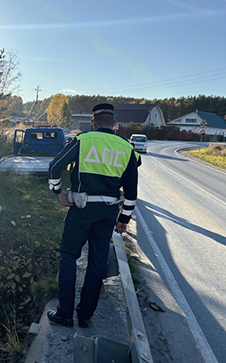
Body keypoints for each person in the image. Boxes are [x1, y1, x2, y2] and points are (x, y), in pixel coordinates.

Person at [46, 103, 139, 328]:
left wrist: (58, 192)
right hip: (107, 213)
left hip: (81, 210)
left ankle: (64, 313)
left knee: (69, 256)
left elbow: (54, 167)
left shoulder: (82, 140)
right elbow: (131, 193)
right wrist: (123, 220)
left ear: (93, 123)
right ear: (114, 124)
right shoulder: (128, 149)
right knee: (97, 262)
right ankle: (85, 316)